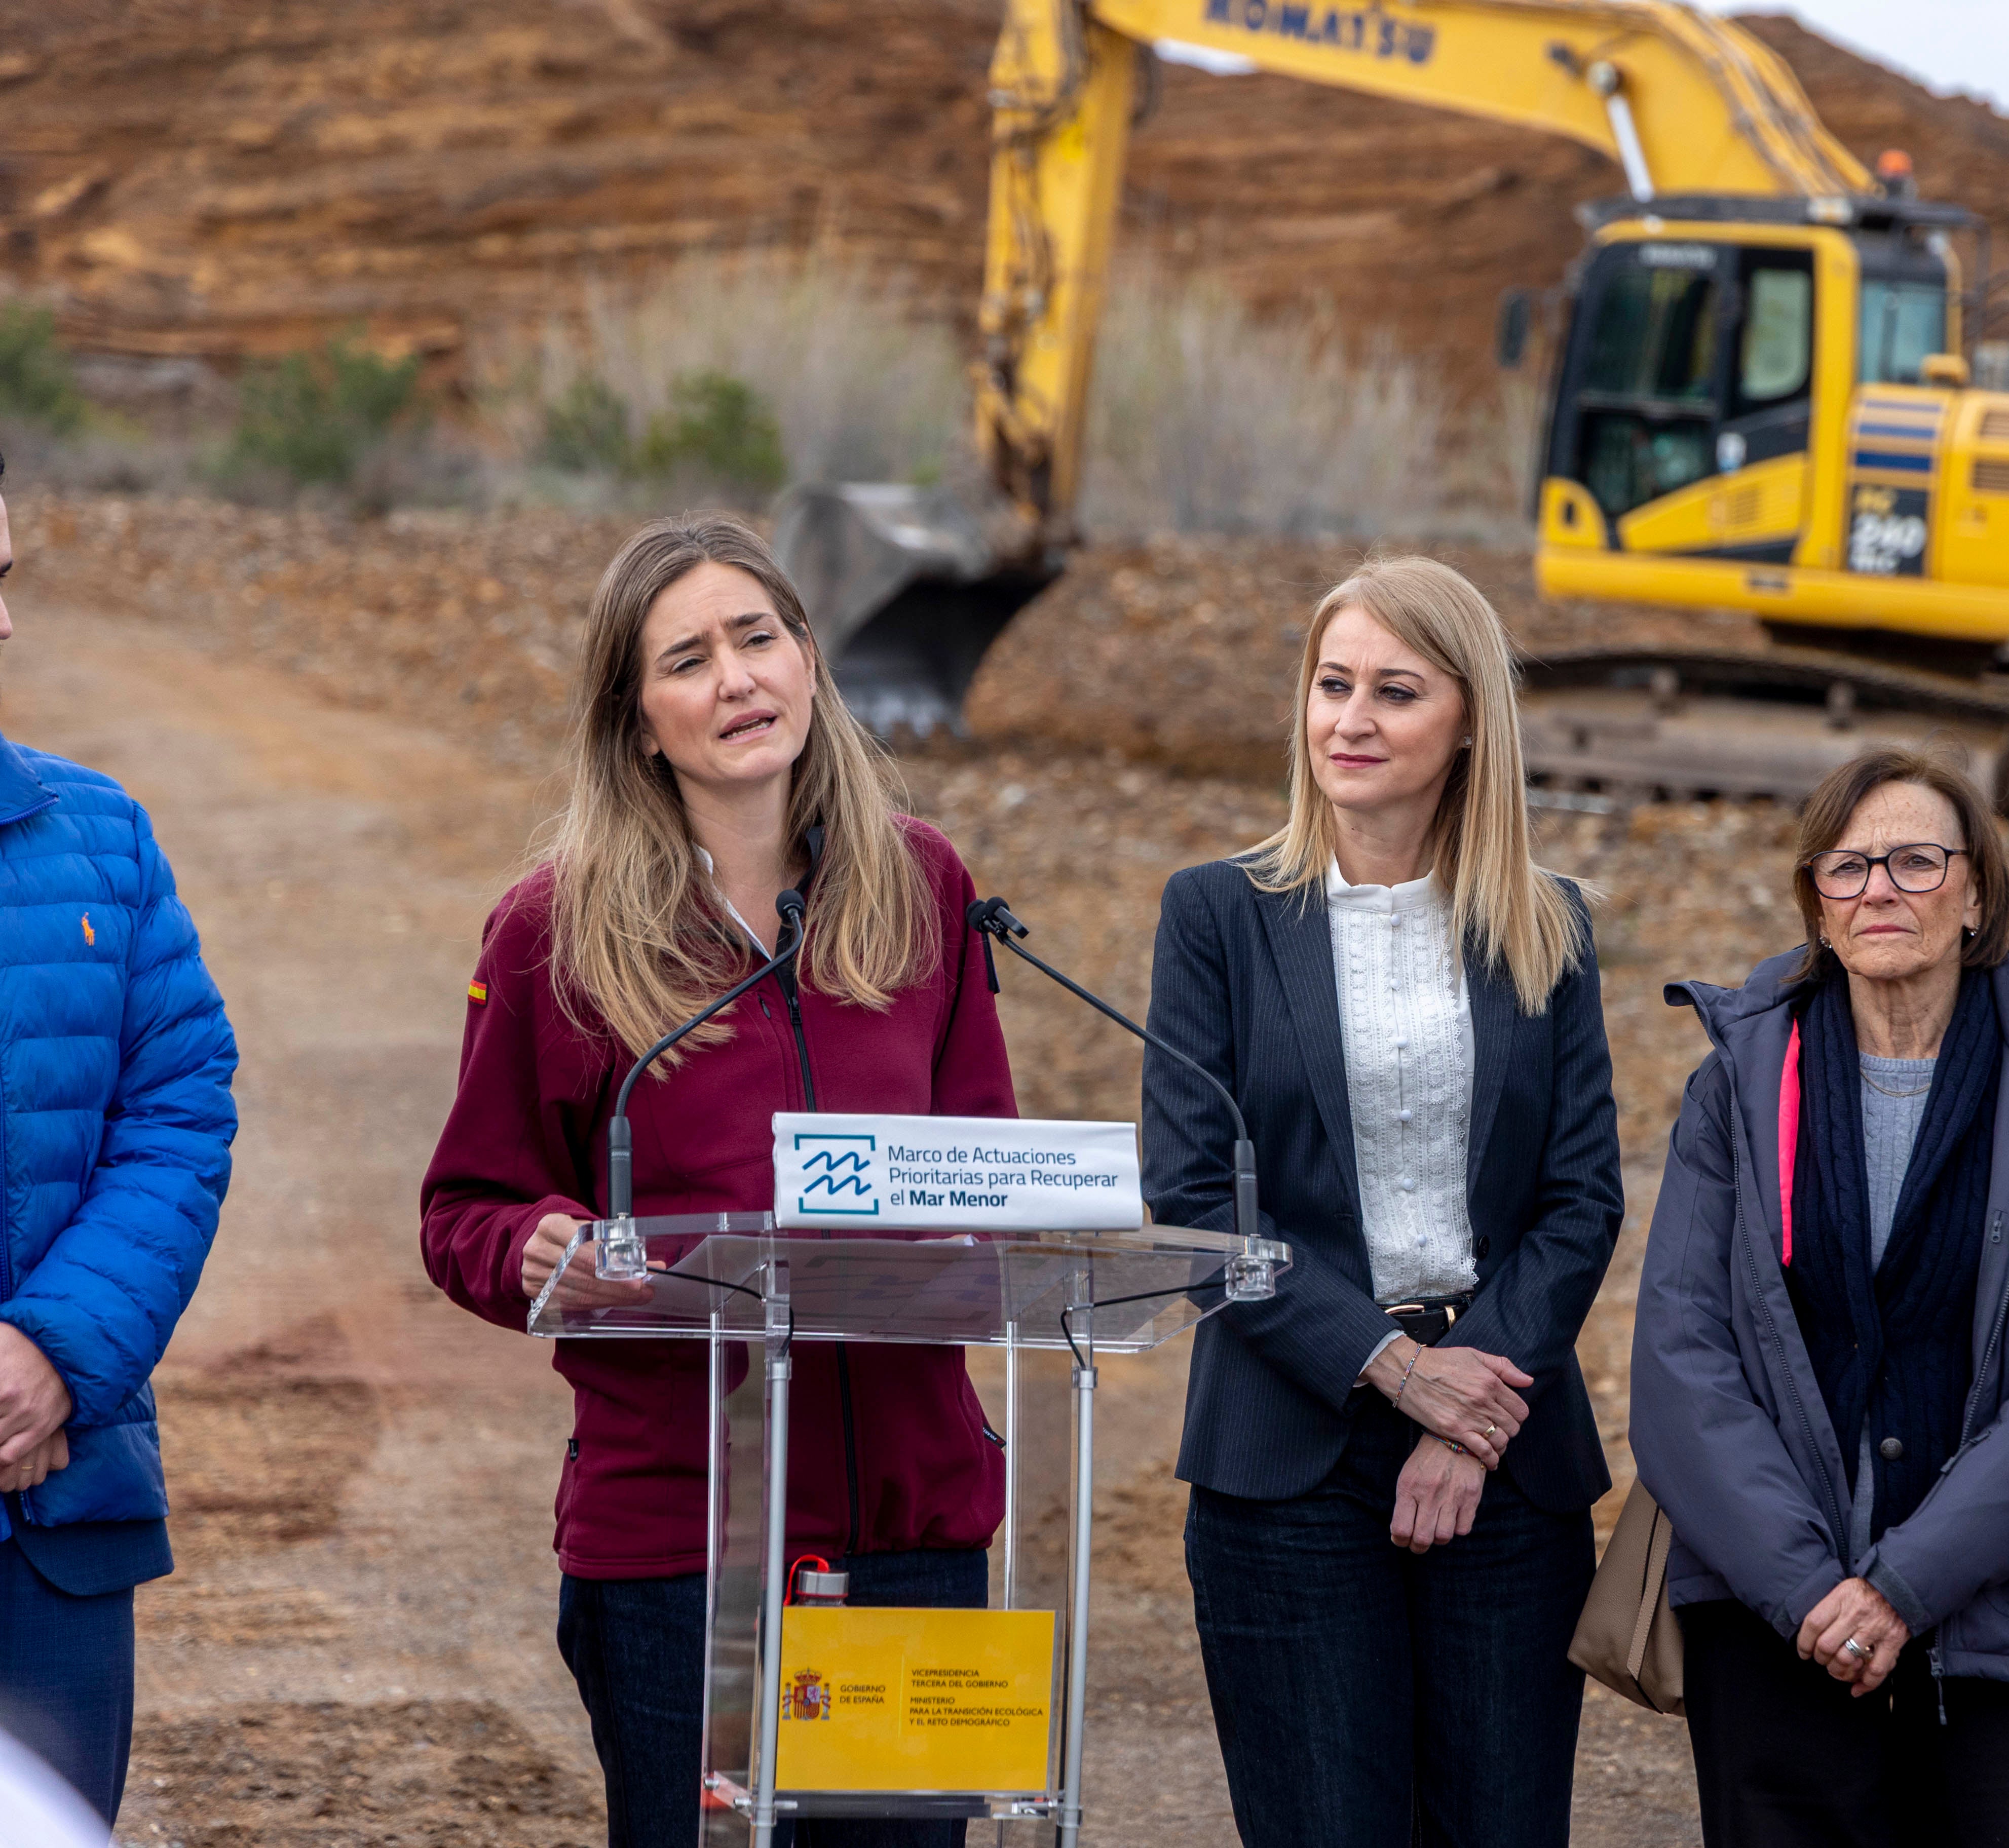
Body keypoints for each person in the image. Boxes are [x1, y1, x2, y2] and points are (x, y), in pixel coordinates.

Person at [418, 514, 1013, 1848]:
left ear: (811, 659)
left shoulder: (923, 888)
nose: (738, 680)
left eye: (759, 639)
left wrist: (989, 1235)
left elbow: (990, 1175)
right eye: (689, 659)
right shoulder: (553, 935)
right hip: (682, 1548)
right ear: (636, 719)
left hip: (912, 1532)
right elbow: (465, 1211)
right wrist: (532, 1249)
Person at [1140, 556, 1623, 1848]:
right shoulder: (1218, 917)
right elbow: (1193, 1201)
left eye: (1394, 691)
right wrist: (1400, 1374)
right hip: (1287, 1454)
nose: (1349, 720)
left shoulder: (1548, 926)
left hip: (1507, 1453)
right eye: (1331, 684)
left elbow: (1581, 1202)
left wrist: (1466, 1413)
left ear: (1471, 722)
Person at [1631, 748, 2009, 1848]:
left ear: (1975, 895)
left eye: (1916, 862)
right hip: (1773, 1619)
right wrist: (1809, 1592)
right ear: (1818, 906)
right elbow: (1683, 1360)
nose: (1880, 889)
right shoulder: (1738, 1078)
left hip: (2002, 1613)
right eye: (1848, 866)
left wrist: (1905, 1587)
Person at [0, 452, 242, 1826]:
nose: (5, 625)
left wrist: (54, 1353)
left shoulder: (102, 838)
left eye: (5, 581)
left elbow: (179, 1104)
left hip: (52, 1533)